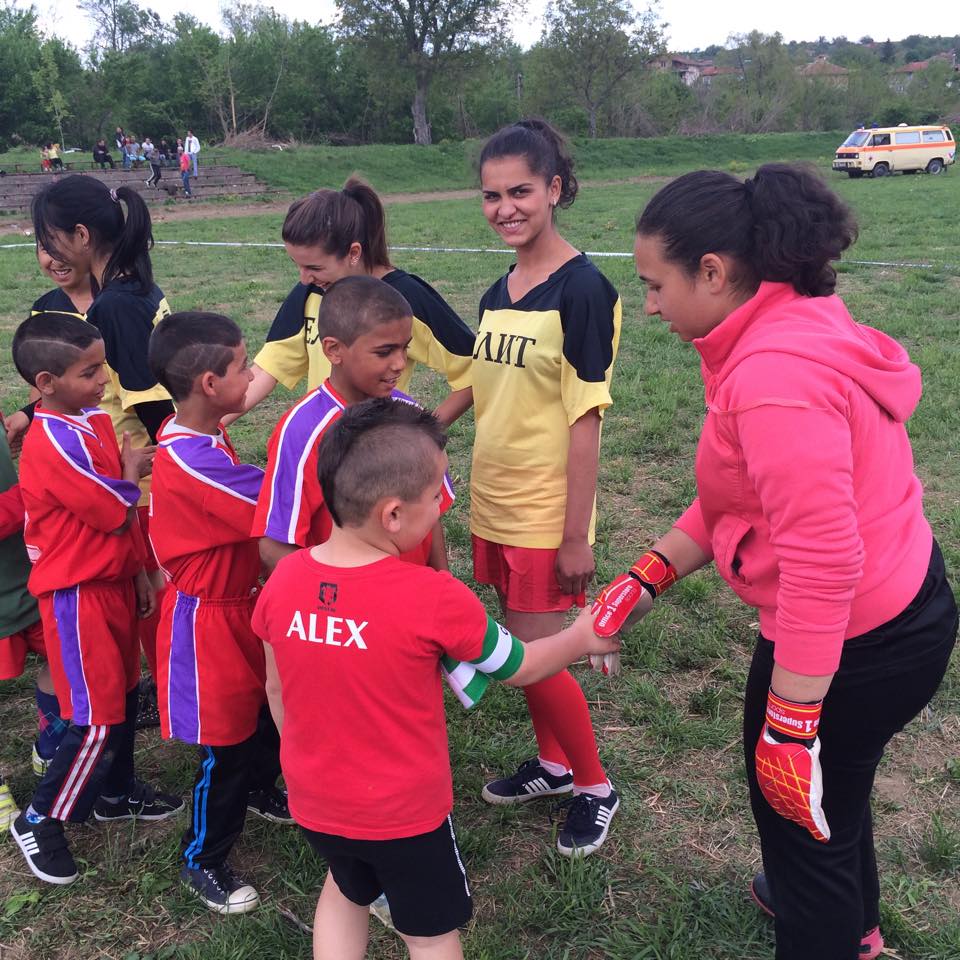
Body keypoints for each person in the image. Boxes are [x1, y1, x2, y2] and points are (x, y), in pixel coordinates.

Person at [595, 163, 958, 960]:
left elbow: (825, 563)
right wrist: (647, 574)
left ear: (714, 273)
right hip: (898, 606)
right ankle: (851, 922)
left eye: (656, 284)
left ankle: (828, 926)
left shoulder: (772, 377)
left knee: (798, 814)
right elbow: (739, 498)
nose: (649, 304)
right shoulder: (779, 322)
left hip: (858, 638)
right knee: (830, 790)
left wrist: (792, 725)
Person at [253, 397, 621, 960]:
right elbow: (519, 665)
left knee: (345, 891)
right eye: (436, 498)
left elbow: (276, 690)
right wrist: (581, 637)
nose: (441, 509)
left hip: (314, 797)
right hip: (404, 813)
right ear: (394, 515)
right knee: (427, 934)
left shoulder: (283, 581)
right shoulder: (432, 597)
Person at [472, 119, 622, 857]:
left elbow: (584, 419)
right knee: (517, 645)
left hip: (542, 512)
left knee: (535, 651)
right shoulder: (498, 288)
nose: (506, 207)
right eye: (493, 195)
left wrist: (573, 535)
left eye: (521, 191)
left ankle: (595, 785)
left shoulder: (586, 289)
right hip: (491, 502)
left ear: (555, 189)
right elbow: (484, 389)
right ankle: (555, 766)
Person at [8, 313, 183, 886]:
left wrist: (139, 574)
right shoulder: (47, 442)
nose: (105, 380)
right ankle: (40, 819)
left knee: (126, 695)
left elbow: (121, 521)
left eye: (103, 365)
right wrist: (132, 475)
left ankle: (115, 792)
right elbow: (109, 508)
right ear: (45, 383)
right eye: (89, 372)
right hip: (75, 596)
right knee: (96, 718)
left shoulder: (90, 421)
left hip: (111, 585)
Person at [147, 311, 290, 914]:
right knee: (223, 745)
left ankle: (258, 788)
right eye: (242, 366)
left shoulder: (201, 435)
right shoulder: (190, 460)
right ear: (210, 384)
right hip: (204, 624)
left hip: (236, 608)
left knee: (258, 713)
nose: (251, 373)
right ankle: (201, 858)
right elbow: (272, 501)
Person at [19, 175, 175, 720]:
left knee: (158, 604)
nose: (48, 252)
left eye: (50, 238)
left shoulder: (116, 307)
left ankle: (181, 707)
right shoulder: (123, 292)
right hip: (130, 488)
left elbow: (160, 414)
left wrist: (182, 473)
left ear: (81, 236)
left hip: (143, 492)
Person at [230, 178, 475, 429]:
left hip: (377, 455)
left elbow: (473, 373)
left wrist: (421, 434)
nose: (303, 279)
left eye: (314, 267)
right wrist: (195, 429)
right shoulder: (310, 294)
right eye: (298, 265)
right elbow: (265, 372)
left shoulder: (404, 298)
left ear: (353, 253)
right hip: (325, 450)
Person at [252, 275, 454, 576]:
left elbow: (432, 510)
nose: (400, 363)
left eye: (405, 348)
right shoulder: (302, 429)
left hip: (413, 604)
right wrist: (338, 602)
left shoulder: (409, 415)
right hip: (346, 613)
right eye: (385, 352)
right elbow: (275, 545)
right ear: (334, 350)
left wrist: (443, 581)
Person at [0, 407, 68, 780]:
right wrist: (36, 489)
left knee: (60, 657)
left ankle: (51, 745)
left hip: (26, 574)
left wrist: (25, 415)